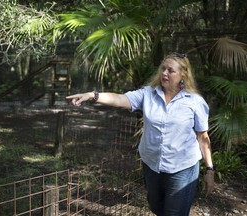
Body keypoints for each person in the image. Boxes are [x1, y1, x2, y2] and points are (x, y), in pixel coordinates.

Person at [66, 53, 214, 216]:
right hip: (152, 164)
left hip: (182, 168)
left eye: (170, 70)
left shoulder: (195, 102)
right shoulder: (148, 94)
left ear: (183, 75)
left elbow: (203, 137)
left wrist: (209, 169)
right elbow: (120, 99)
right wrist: (92, 95)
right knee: (156, 208)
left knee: (175, 212)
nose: (164, 73)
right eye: (163, 69)